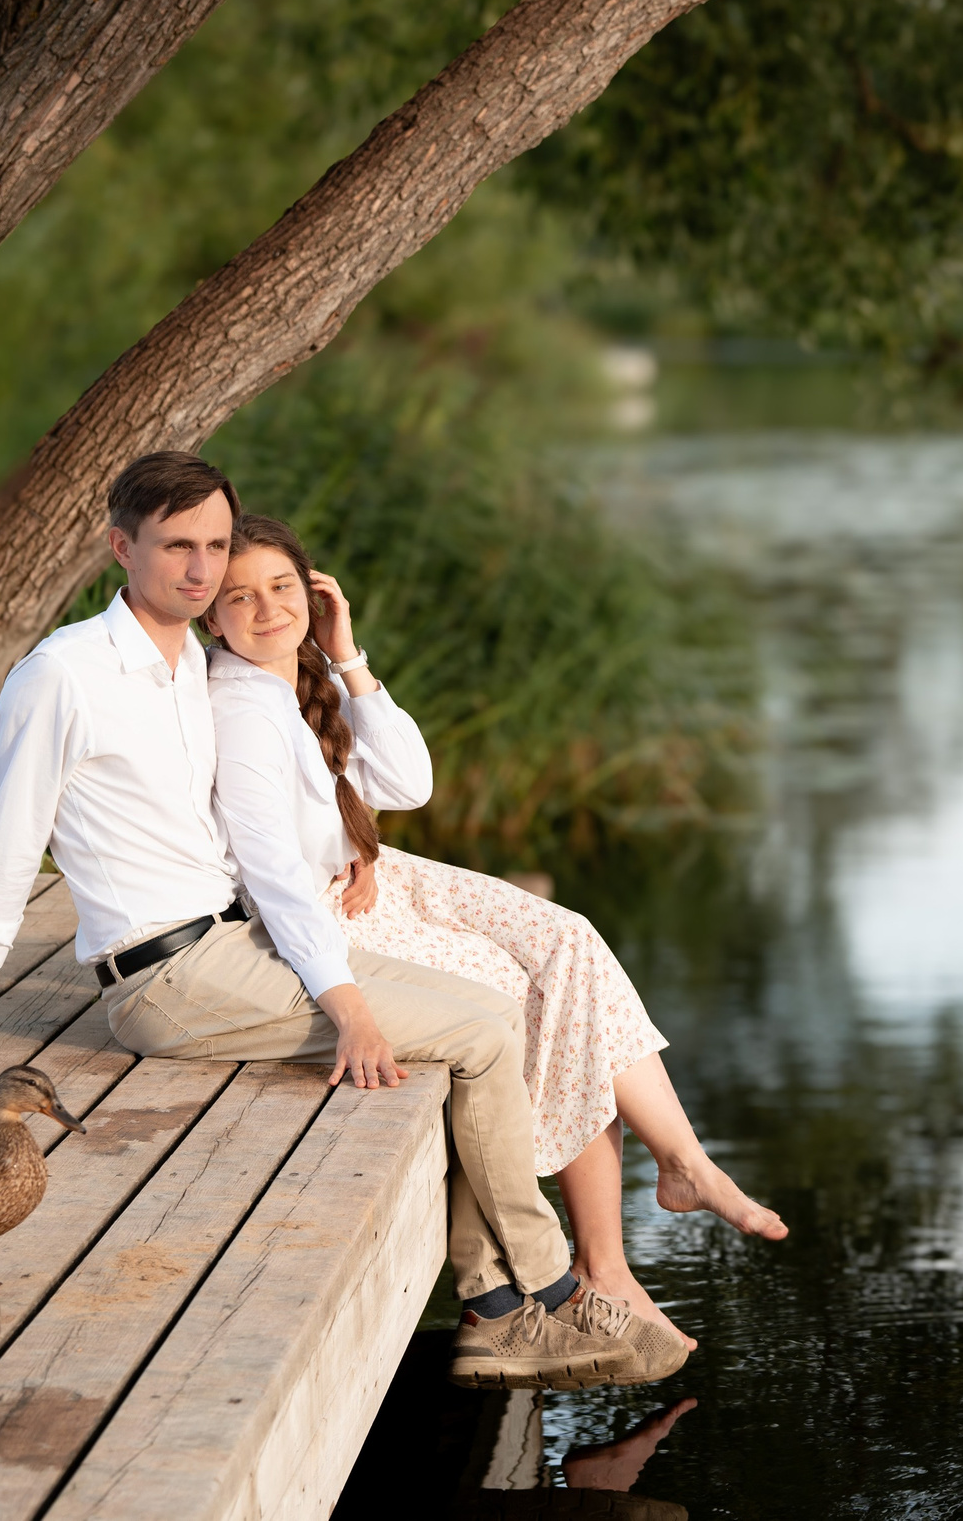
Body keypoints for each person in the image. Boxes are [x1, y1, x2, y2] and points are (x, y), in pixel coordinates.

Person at [0, 451, 672, 1390]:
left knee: (484, 1012)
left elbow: (263, 830)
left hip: (236, 943)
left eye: (215, 546)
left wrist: (342, 846)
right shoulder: (63, 675)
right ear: (121, 546)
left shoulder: (201, 667)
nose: (199, 568)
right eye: (178, 545)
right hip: (169, 978)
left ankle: (496, 1305)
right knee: (478, 1029)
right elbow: (8, 847)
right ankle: (543, 1296)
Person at [199, 514, 785, 1349]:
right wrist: (347, 991)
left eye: (282, 587)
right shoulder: (242, 706)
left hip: (374, 874)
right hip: (324, 916)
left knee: (568, 941)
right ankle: (611, 1257)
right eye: (239, 597)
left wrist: (347, 657)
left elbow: (408, 780)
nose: (265, 609)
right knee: (520, 992)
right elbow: (272, 873)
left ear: (314, 589)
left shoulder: (296, 678)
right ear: (210, 617)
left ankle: (678, 1172)